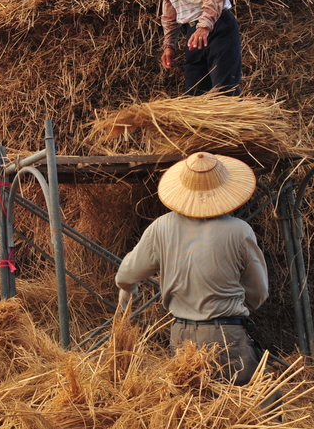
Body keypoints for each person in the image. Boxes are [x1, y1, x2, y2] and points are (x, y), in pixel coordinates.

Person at [114, 152, 268, 386]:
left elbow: (126, 274)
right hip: (225, 337)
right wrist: (246, 302)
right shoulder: (240, 231)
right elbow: (259, 292)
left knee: (193, 410)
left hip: (181, 337)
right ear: (224, 190)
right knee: (256, 407)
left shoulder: (162, 227)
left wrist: (128, 290)